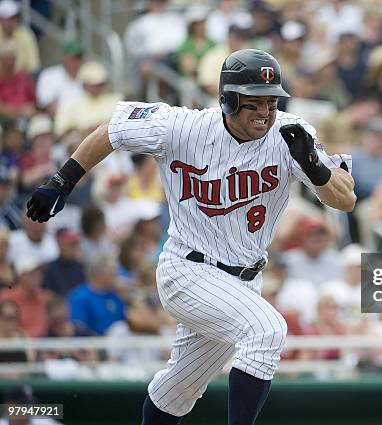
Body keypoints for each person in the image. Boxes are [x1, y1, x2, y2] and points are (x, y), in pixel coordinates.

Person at [26, 49, 355, 425]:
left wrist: (314, 167)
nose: (265, 111)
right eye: (253, 103)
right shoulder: (183, 126)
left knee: (179, 388)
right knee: (267, 330)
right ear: (227, 100)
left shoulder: (291, 132)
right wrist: (63, 180)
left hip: (244, 281)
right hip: (188, 269)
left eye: (271, 101)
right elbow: (112, 130)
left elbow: (346, 199)